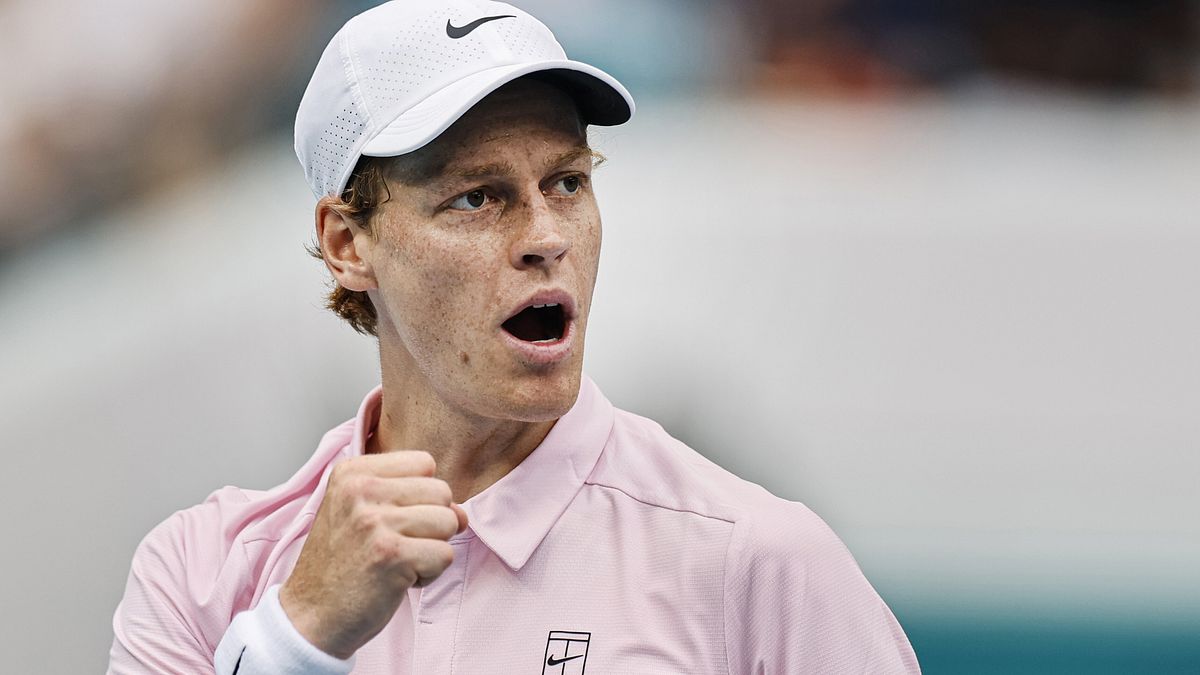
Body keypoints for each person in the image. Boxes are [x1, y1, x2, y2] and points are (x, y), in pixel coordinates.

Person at [108, 1, 920, 673]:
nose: (546, 236)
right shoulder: (200, 569)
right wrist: (298, 638)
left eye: (567, 182)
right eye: (477, 197)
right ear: (348, 243)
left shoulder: (762, 561)